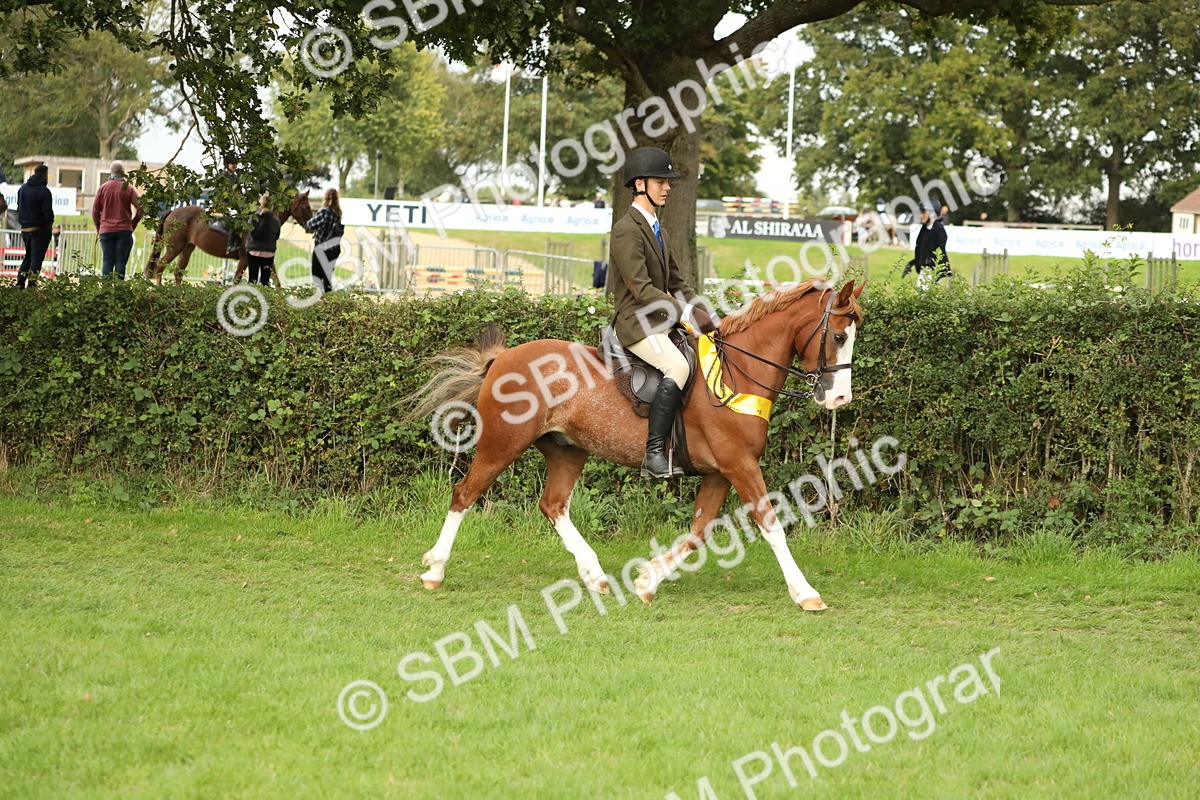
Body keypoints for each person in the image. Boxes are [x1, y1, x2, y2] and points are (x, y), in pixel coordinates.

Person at [609, 146, 717, 479]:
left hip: (659, 320)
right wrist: (684, 312)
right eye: (661, 181)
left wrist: (708, 316)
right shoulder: (626, 230)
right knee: (678, 366)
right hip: (636, 323)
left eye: (668, 182)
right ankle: (653, 454)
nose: (667, 187)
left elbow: (678, 283)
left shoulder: (659, 230)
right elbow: (641, 289)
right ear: (640, 184)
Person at [91, 161, 144, 279]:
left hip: (106, 230)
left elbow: (95, 210)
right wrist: (133, 223)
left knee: (107, 260)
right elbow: (141, 208)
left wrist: (99, 228)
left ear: (111, 172)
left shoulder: (102, 188)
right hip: (124, 230)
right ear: (123, 173)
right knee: (121, 261)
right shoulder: (128, 188)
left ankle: (106, 287)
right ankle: (119, 288)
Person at [16, 164, 54, 289]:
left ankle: (19, 283)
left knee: (28, 257)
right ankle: (31, 286)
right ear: (45, 175)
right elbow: (47, 213)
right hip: (39, 230)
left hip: (25, 228)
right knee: (36, 259)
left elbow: (19, 208)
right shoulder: (44, 191)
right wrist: (49, 225)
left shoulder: (23, 188)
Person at [904, 199, 951, 288]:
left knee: (920, 293)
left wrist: (937, 274)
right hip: (924, 269)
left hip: (933, 270)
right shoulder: (924, 229)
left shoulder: (939, 229)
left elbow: (941, 252)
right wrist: (911, 263)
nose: (921, 215)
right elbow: (922, 251)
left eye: (923, 212)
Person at [305, 188, 342, 293]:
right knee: (327, 277)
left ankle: (319, 297)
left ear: (325, 198)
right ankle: (328, 298)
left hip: (321, 248)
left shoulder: (324, 212)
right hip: (333, 249)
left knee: (316, 276)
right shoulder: (338, 213)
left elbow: (310, 224)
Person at [245, 193, 282, 286]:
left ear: (259, 204)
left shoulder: (253, 218)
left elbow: (251, 233)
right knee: (265, 281)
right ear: (271, 206)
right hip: (268, 253)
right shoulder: (276, 220)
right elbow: (277, 237)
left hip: (253, 251)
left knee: (252, 280)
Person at [222, 154, 242, 256]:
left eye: (235, 163)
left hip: (234, 204)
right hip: (224, 204)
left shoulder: (235, 176)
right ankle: (229, 246)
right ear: (227, 165)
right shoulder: (223, 175)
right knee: (235, 220)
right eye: (232, 163)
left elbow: (239, 192)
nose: (234, 165)